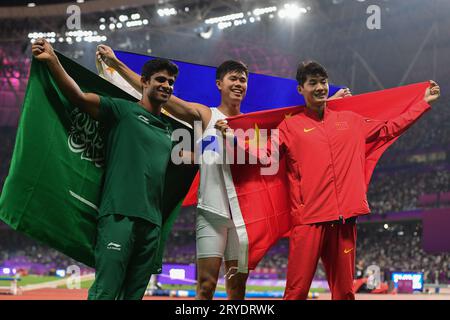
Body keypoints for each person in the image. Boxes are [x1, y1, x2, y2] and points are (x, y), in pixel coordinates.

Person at [96, 46, 351, 300]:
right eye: (233, 78)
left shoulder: (255, 127)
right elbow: (162, 97)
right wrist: (116, 64)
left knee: (236, 291)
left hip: (243, 219)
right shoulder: (205, 115)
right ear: (220, 83)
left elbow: (296, 121)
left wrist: (328, 104)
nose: (239, 83)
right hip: (211, 213)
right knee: (205, 287)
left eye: (243, 80)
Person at [216, 61, 440, 300]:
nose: (320, 87)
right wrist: (234, 138)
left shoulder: (351, 120)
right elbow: (265, 156)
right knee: (297, 291)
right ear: (301, 89)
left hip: (344, 219)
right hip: (308, 220)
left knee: (344, 292)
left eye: (323, 82)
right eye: (313, 83)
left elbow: (390, 128)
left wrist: (422, 103)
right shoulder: (289, 126)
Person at [31, 38, 179, 300]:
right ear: (144, 82)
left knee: (133, 296)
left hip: (152, 224)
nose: (166, 86)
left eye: (170, 82)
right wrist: (54, 61)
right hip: (119, 214)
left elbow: (192, 157)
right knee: (106, 291)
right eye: (160, 80)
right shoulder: (122, 111)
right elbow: (77, 97)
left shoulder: (168, 131)